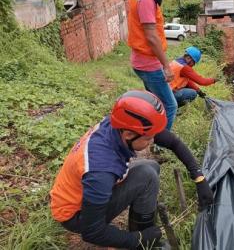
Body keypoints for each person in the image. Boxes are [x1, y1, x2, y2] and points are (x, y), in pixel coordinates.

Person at [50, 90, 214, 249]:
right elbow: (91, 231)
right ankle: (143, 243)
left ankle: (140, 229)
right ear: (129, 134)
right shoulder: (101, 172)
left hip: (82, 192)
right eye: (149, 138)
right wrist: (138, 239)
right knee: (147, 176)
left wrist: (199, 178)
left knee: (151, 166)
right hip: (76, 215)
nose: (152, 142)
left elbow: (173, 142)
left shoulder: (118, 124)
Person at [127, 0, 177, 131]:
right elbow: (151, 36)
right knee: (170, 106)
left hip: (140, 60)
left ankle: (148, 131)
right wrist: (166, 66)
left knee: (154, 103)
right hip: (149, 64)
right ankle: (160, 142)